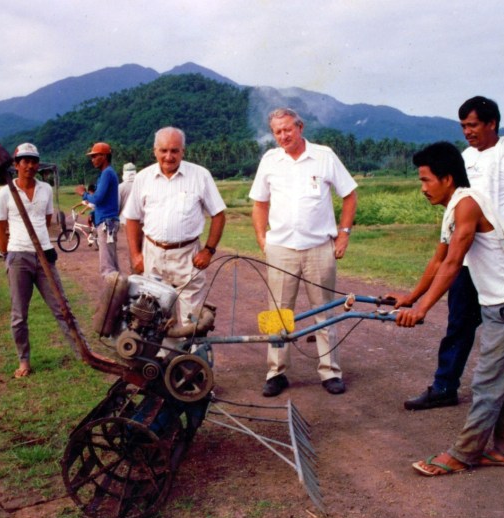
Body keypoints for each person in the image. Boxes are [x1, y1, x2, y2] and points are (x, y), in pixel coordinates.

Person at [387, 141, 504, 476]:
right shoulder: (454, 206)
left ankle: (462, 454)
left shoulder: (467, 205)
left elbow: (455, 263)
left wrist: (423, 309)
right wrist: (411, 297)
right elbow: (439, 259)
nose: (422, 188)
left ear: (447, 178)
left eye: (426, 180)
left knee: (487, 383)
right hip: (503, 302)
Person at [404, 96, 504, 410]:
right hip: (467, 255)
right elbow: (447, 249)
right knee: (458, 324)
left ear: (492, 123)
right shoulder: (465, 158)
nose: (467, 132)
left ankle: (498, 385)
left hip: (499, 255)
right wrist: (413, 298)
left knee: (501, 325)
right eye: (463, 126)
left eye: (473, 125)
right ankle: (444, 386)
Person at [249, 108, 358, 397]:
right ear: (273, 134)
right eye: (278, 132)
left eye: (288, 129)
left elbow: (349, 194)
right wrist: (262, 239)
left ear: (300, 127)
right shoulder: (270, 160)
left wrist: (344, 234)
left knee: (325, 312)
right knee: (278, 313)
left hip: (320, 248)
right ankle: (276, 372)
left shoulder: (324, 156)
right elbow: (259, 203)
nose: (284, 136)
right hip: (281, 249)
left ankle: (330, 372)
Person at [123, 126, 226, 337]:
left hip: (187, 254)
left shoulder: (200, 175)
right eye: (164, 151)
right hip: (153, 253)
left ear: (183, 152)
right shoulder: (143, 178)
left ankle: (191, 363)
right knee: (153, 313)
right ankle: (160, 362)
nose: (169, 156)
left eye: (174, 151)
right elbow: (132, 218)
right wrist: (135, 254)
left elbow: (219, 215)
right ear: (155, 151)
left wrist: (208, 250)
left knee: (192, 316)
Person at [0, 142, 74, 378]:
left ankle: (81, 351)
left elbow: (47, 220)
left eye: (33, 161)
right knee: (19, 314)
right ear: (16, 165)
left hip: (44, 255)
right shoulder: (4, 193)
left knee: (62, 307)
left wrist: (42, 244)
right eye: (25, 161)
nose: (29, 165)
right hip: (18, 256)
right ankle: (24, 361)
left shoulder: (45, 189)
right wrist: (8, 254)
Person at [76, 143, 120, 277]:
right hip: (108, 221)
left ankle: (112, 294)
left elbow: (98, 198)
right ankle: (117, 294)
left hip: (107, 222)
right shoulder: (106, 173)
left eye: (95, 156)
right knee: (111, 263)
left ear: (105, 156)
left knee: (107, 267)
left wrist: (84, 194)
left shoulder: (107, 173)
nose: (92, 159)